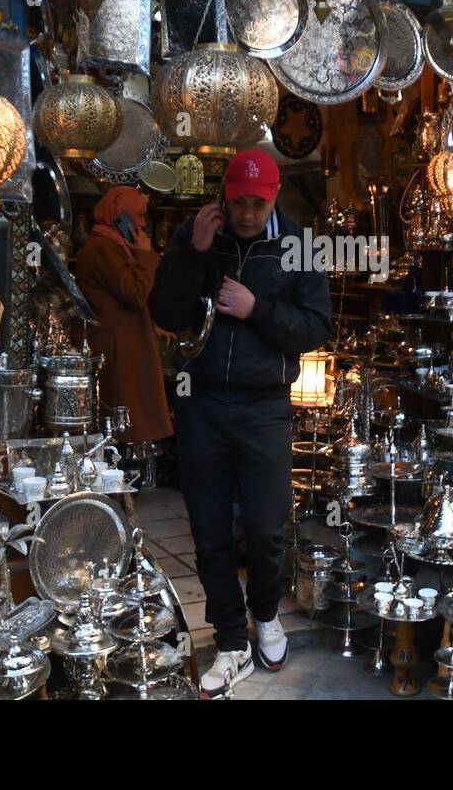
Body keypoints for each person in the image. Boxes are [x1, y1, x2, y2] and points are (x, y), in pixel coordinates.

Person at [149, 149, 333, 697]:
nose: (247, 214)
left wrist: (257, 308)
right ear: (224, 196)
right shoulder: (197, 234)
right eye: (238, 202)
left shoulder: (298, 246)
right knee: (208, 530)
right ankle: (231, 640)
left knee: (267, 528)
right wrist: (192, 252)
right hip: (202, 404)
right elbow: (163, 312)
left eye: (258, 203)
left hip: (264, 406)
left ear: (274, 197)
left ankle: (267, 614)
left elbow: (316, 327)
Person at [73, 186, 172, 445]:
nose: (142, 224)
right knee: (126, 421)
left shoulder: (112, 246)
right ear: (121, 217)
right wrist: (145, 253)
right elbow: (135, 293)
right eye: (138, 217)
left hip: (126, 342)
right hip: (119, 349)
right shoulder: (103, 249)